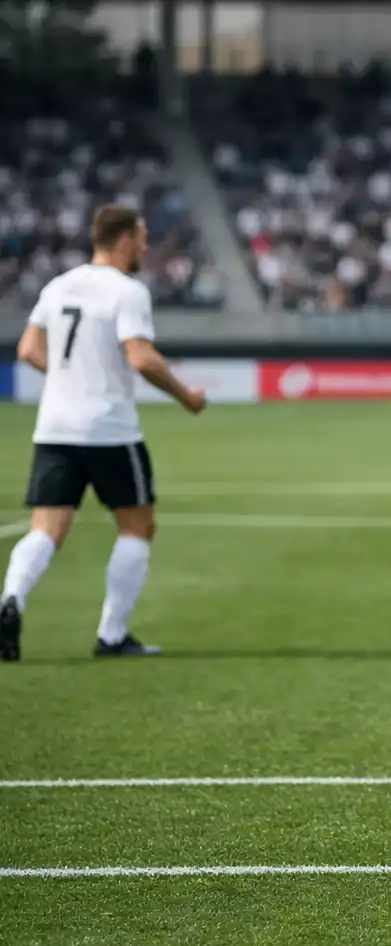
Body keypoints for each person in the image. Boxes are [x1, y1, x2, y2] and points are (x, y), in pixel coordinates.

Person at [1, 205, 207, 662]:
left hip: (55, 426)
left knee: (46, 528)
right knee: (137, 525)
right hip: (109, 428)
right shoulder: (126, 290)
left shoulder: (59, 286)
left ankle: (10, 598)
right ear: (124, 240)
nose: (147, 246)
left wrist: (70, 377)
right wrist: (186, 395)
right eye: (143, 236)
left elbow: (28, 350)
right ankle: (111, 636)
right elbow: (142, 358)